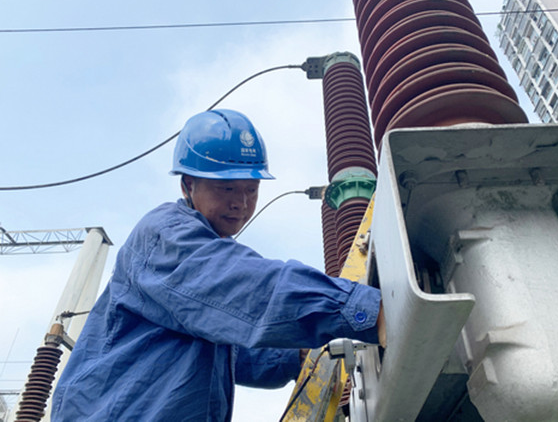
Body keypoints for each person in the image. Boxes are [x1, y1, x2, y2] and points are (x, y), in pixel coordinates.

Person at [51, 109, 384, 421]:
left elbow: (231, 349)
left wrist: (291, 356)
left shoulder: (204, 272)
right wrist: (367, 310)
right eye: (227, 188)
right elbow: (249, 288)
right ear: (187, 185)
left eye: (251, 190)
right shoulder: (166, 237)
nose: (240, 203)